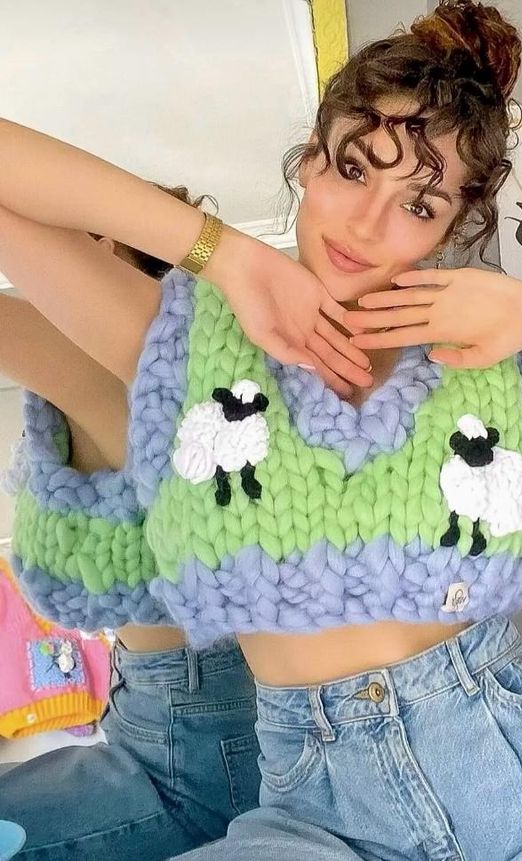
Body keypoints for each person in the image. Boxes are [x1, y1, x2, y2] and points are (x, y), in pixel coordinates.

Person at [2, 1, 522, 856]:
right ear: (309, 161)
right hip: (321, 815)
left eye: (419, 204)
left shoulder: (489, 358)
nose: (368, 222)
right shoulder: (179, 339)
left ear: (456, 224)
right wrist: (221, 252)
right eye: (354, 169)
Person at [0, 187, 264, 861]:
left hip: (193, 762)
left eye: (67, 244)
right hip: (164, 723)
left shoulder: (125, 367)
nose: (37, 268)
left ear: (114, 255)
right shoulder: (143, 372)